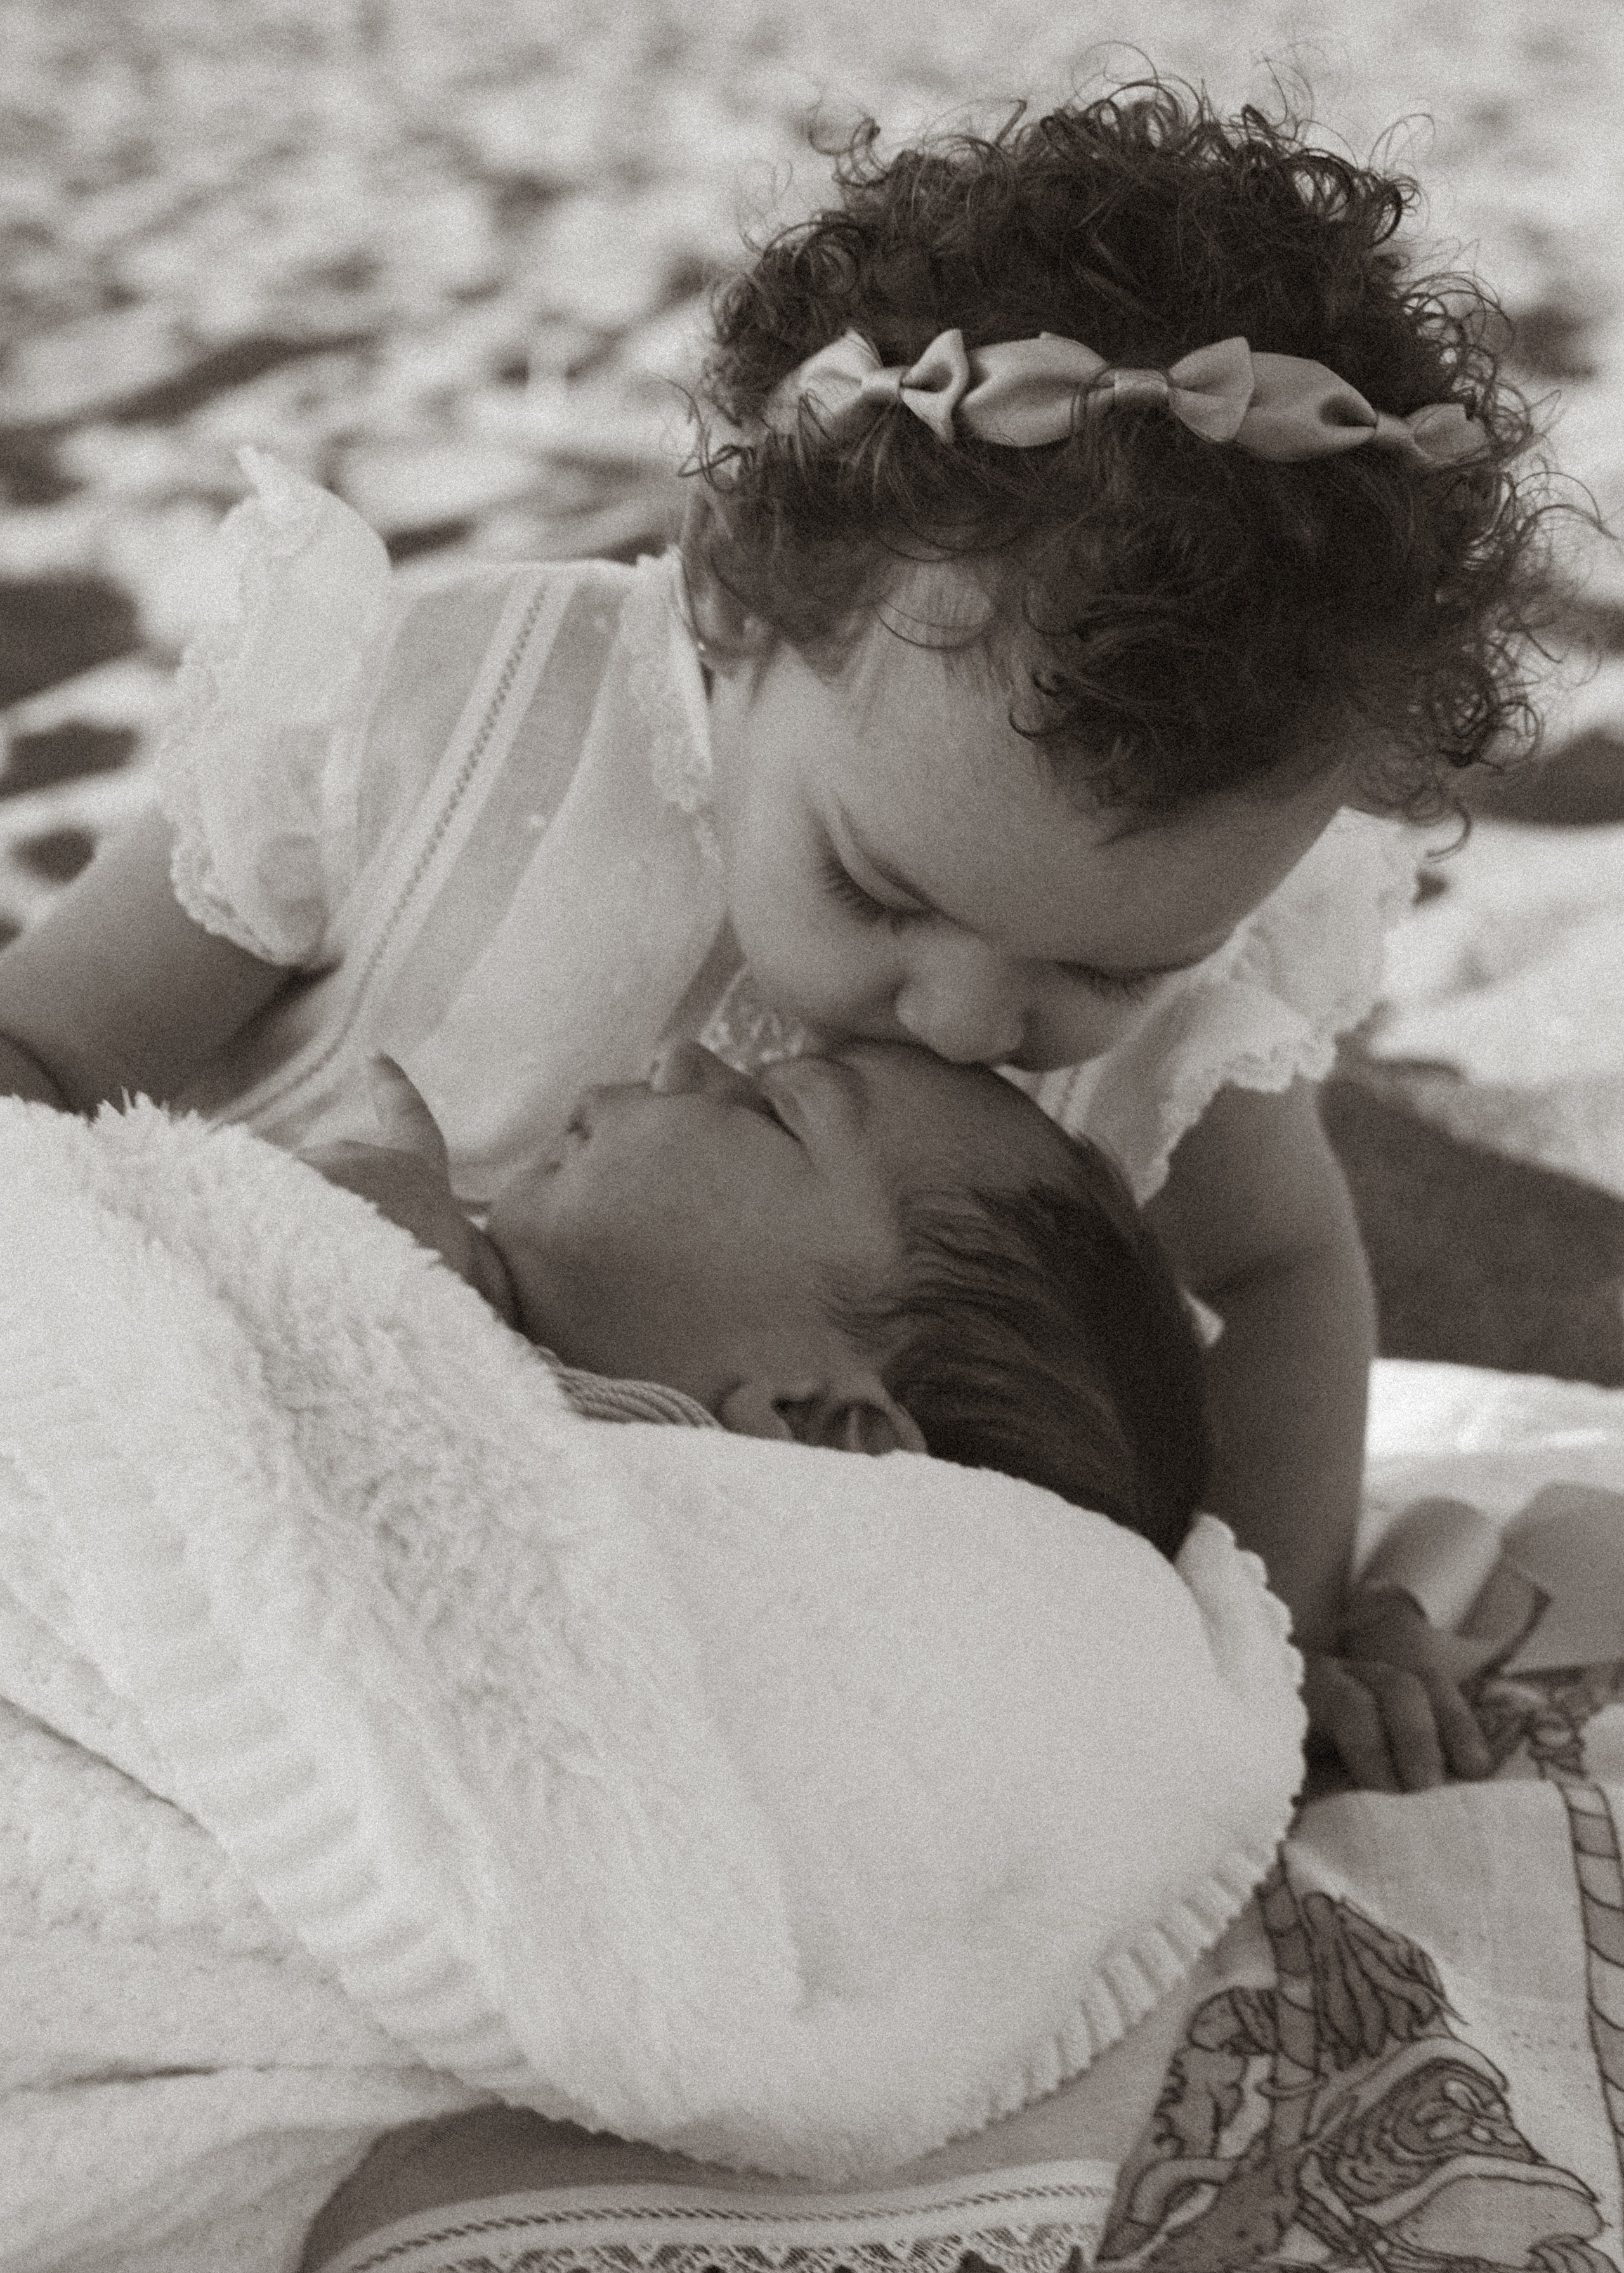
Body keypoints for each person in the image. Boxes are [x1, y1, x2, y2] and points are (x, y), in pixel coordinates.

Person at [0, 85, 1545, 1789]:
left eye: (1109, 970)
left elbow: (1279, 1270)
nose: (965, 1021)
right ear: (732, 599)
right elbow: (42, 1052)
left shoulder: (1204, 981)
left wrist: (1272, 1649)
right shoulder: (440, 725)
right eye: (883, 892)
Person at [306, 1040, 1211, 1557]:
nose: (683, 1058)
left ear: (828, 1428)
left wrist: (364, 1274)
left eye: (774, 1114)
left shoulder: (640, 1548)